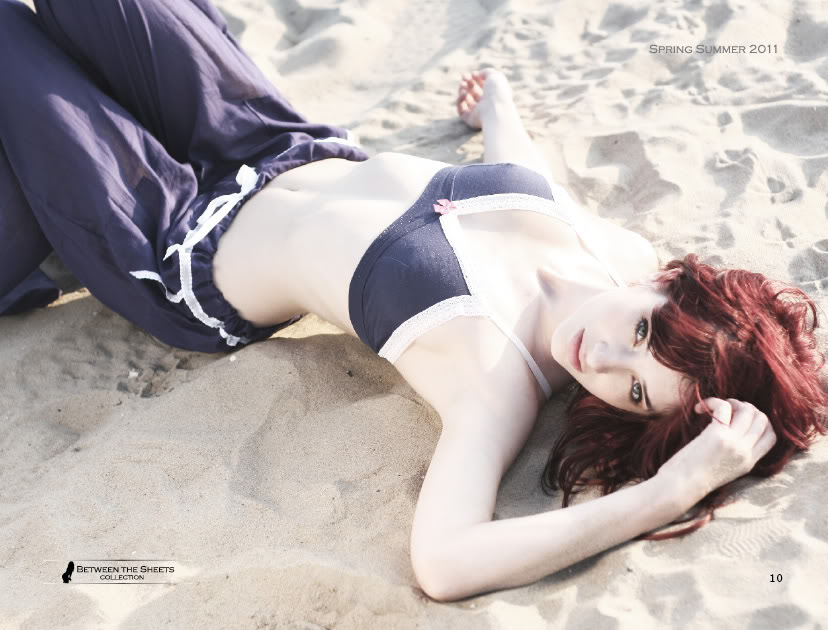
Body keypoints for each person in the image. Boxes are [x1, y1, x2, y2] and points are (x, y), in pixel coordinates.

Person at [1, 0, 826, 603]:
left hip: (175, 236)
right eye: (642, 333)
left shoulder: (495, 382)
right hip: (272, 141)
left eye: (636, 392)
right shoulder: (618, 253)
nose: (602, 360)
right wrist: (497, 108)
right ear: (668, 285)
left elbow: (446, 562)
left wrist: (668, 493)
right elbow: (531, 178)